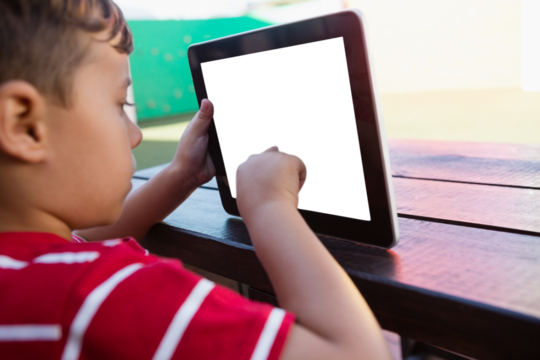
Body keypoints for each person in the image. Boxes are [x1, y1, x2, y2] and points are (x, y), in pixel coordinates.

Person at [0, 0, 393, 359]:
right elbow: (357, 354)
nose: (134, 134)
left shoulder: (23, 268)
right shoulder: (102, 295)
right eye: (120, 104)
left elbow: (89, 236)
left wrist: (180, 175)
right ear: (25, 125)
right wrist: (268, 205)